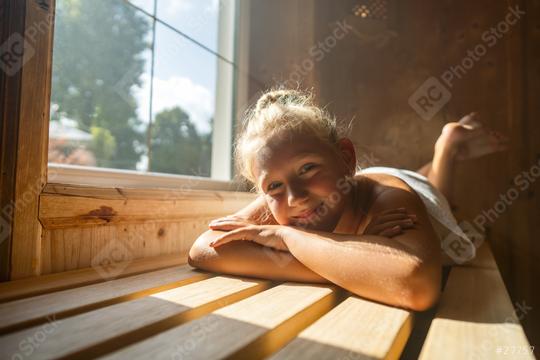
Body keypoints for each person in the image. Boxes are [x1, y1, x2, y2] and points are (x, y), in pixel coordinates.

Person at [188, 89, 509, 311]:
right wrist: (354, 258)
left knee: (436, 193)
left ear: (345, 157)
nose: (295, 196)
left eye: (308, 167)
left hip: (404, 187)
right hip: (360, 184)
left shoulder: (390, 197)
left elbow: (417, 285)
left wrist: (287, 236)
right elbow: (204, 247)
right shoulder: (283, 195)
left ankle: (448, 146)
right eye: (272, 185)